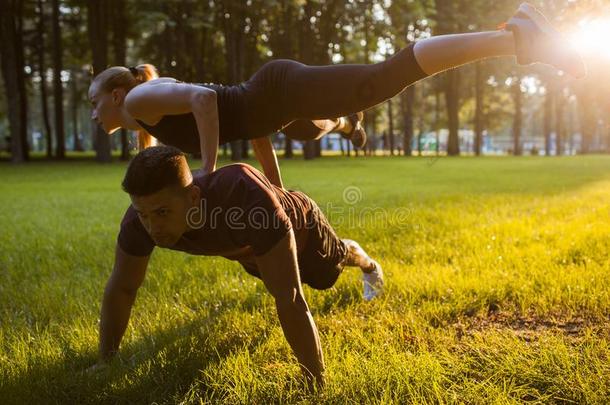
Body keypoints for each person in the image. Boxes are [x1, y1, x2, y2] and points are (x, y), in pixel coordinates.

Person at [87, 3, 585, 188]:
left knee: (381, 77)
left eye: (93, 101)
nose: (92, 113)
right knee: (308, 128)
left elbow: (208, 103)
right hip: (274, 108)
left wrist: (211, 173)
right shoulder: (143, 120)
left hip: (276, 88)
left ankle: (514, 34)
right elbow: (253, 127)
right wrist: (277, 191)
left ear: (115, 94)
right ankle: (346, 124)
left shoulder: (139, 100)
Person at [92, 145, 383, 388]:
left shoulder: (244, 195)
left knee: (327, 275)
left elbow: (290, 297)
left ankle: (365, 262)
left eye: (163, 213)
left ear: (193, 198)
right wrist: (106, 361)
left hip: (304, 232)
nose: (152, 227)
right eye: (143, 213)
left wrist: (315, 382)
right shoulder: (139, 221)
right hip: (250, 251)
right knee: (269, 276)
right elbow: (123, 288)